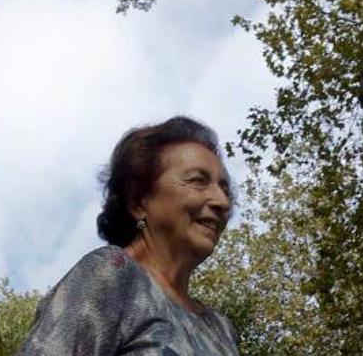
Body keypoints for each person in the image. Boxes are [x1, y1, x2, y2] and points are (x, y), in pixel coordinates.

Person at [17, 116, 239, 355]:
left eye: (225, 189)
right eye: (198, 181)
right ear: (138, 201)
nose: (222, 201)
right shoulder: (112, 274)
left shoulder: (221, 329)